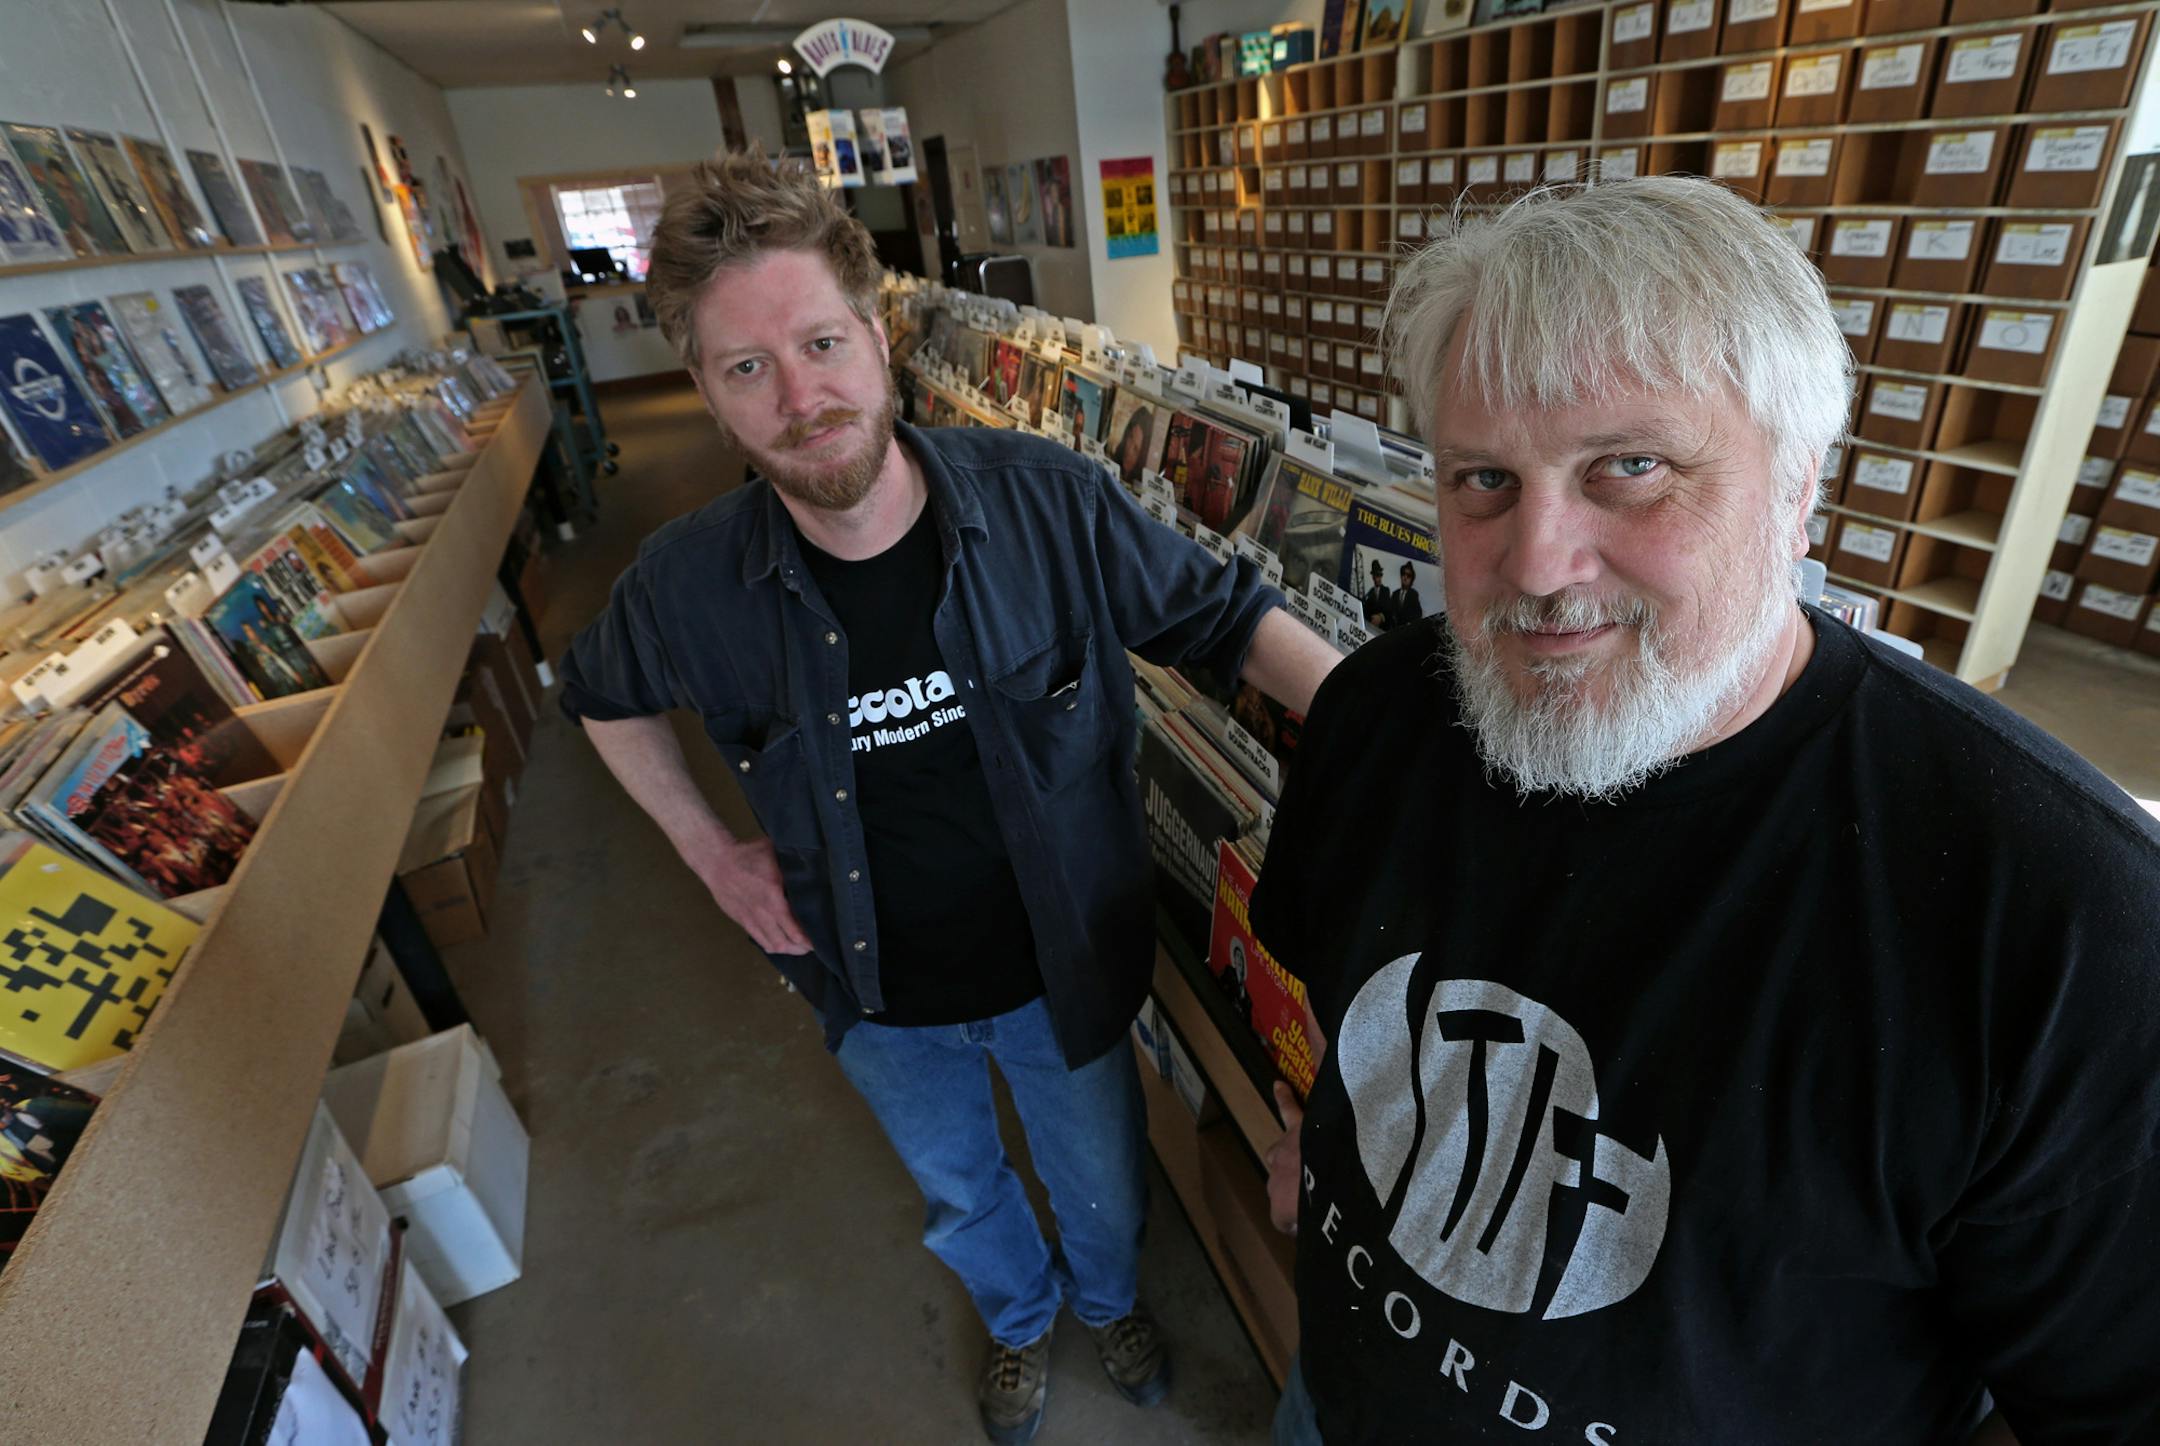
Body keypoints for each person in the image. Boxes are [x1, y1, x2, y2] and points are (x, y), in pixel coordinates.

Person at [1252, 176, 2160, 1444]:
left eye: (1630, 467)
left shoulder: (2068, 929)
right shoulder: (1379, 710)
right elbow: (1313, 982)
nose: (1538, 563)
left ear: (1800, 489)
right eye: (1484, 481)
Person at [557, 148, 1340, 1445]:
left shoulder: (1053, 506)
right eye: (748, 366)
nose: (802, 397)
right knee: (961, 1194)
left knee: (1104, 1187)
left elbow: (1233, 616)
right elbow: (599, 694)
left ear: (876, 331)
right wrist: (709, 853)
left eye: (820, 342)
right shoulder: (684, 587)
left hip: (1064, 965)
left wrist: (1403, 730)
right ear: (702, 388)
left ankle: (1105, 1298)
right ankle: (1023, 1321)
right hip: (873, 993)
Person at [1390, 561, 1424, 627]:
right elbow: (1390, 611)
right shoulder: (1395, 594)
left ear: (1412, 579)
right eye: (1403, 574)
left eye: (1408, 575)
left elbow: (1418, 614)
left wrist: (1411, 623)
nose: (1405, 577)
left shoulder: (1413, 594)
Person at [1361, 557, 1391, 630]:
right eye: (1377, 575)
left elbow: (1388, 609)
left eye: (1380, 575)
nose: (1379, 578)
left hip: (1383, 628)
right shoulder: (1370, 593)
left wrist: (1381, 617)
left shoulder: (1386, 590)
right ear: (1373, 577)